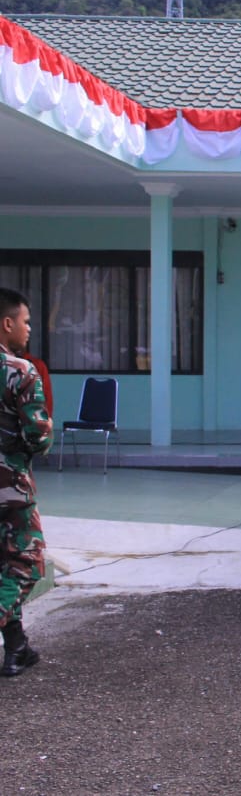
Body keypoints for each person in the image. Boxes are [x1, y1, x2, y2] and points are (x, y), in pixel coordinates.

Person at [0, 288, 53, 677]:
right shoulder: (20, 371)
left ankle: (17, 648)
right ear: (7, 324)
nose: (29, 328)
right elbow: (39, 437)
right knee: (27, 563)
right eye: (25, 321)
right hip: (9, 487)